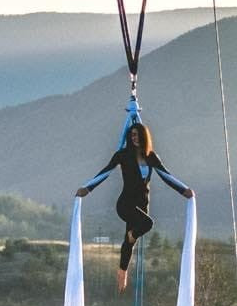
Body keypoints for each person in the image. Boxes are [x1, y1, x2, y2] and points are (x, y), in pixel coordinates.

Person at [76, 120, 193, 293]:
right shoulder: (122, 155)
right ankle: (131, 237)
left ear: (144, 137)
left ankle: (122, 272)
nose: (134, 138)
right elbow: (105, 172)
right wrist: (87, 188)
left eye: (137, 135)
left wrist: (183, 190)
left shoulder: (151, 157)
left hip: (141, 206)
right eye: (132, 135)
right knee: (146, 225)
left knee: (129, 243)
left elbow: (166, 176)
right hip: (125, 204)